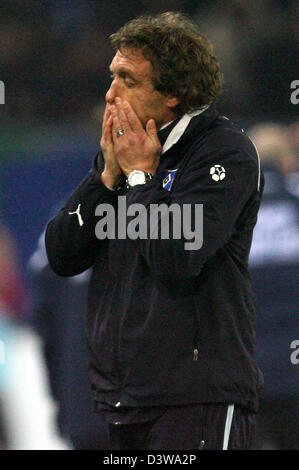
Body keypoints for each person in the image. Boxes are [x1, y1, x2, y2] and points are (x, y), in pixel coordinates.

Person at [45, 12, 264, 450]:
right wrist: (104, 180)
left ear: (174, 94)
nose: (110, 94)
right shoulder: (125, 153)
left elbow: (176, 257)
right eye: (112, 76)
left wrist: (142, 179)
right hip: (123, 398)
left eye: (128, 79)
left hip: (196, 398)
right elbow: (62, 255)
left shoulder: (224, 153)